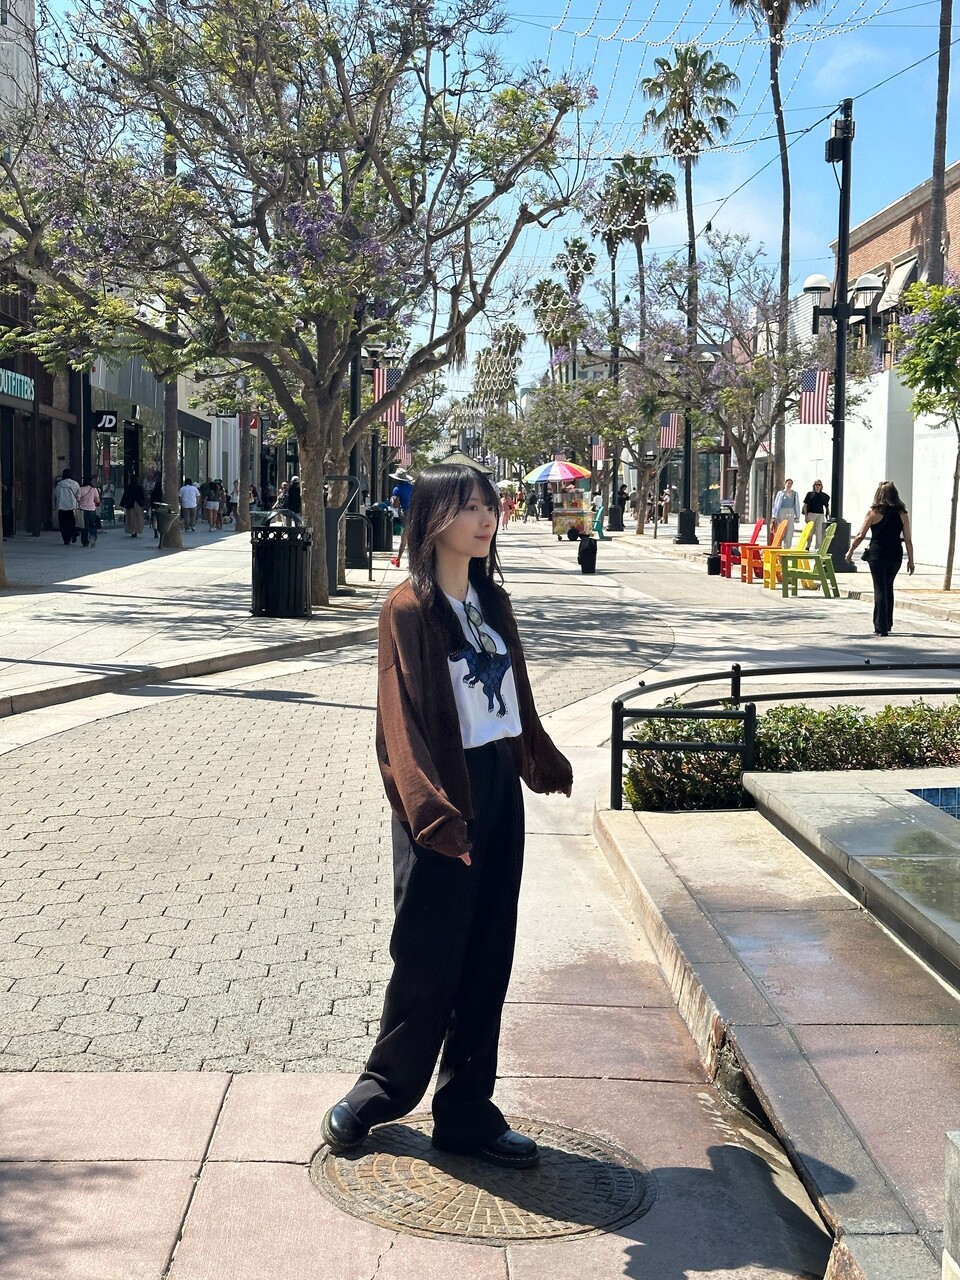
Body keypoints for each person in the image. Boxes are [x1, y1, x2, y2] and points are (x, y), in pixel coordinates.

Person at [321, 463, 573, 1169]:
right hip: (438, 794)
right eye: (468, 507)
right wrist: (434, 816)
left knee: (490, 952)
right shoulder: (407, 609)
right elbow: (400, 726)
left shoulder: (493, 602)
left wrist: (540, 757)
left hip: (497, 789)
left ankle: (466, 1111)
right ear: (433, 519)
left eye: (490, 505)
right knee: (428, 952)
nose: (486, 518)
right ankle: (382, 1089)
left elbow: (513, 695)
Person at [846, 480, 915, 637]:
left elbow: (860, 535)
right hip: (895, 554)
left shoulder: (873, 513)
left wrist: (850, 551)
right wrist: (911, 560)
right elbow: (908, 539)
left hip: (877, 554)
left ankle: (881, 625)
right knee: (888, 586)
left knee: (880, 588)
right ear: (895, 494)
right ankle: (888, 622)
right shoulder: (902, 514)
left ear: (879, 494)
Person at [389, 466, 415, 568]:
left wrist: (392, 500)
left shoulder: (397, 489)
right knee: (412, 537)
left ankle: (399, 560)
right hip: (415, 512)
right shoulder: (412, 487)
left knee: (404, 537)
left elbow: (395, 504)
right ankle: (411, 562)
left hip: (406, 513)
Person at [53, 468, 81, 545]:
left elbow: (56, 495)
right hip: (72, 507)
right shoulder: (75, 484)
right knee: (72, 522)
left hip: (62, 507)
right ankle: (72, 534)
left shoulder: (59, 485)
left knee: (63, 524)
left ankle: (66, 539)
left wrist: (56, 505)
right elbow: (78, 495)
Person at [772, 478, 801, 547]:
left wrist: (797, 516)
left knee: (790, 529)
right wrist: (774, 515)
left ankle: (787, 546)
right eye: (788, 483)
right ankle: (779, 544)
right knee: (781, 528)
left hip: (790, 511)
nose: (789, 485)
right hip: (782, 511)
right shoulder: (781, 493)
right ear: (785, 484)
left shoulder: (794, 494)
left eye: (790, 483)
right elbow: (776, 504)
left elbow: (796, 505)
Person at [801, 480, 830, 549]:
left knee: (819, 531)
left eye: (819, 485)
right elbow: (805, 505)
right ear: (814, 486)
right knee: (810, 531)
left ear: (821, 486)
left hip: (820, 515)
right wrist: (806, 516)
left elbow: (827, 507)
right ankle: (808, 546)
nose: (817, 486)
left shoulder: (824, 496)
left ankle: (818, 547)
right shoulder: (810, 494)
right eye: (816, 485)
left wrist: (828, 516)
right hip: (811, 514)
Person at [77, 475, 101, 547]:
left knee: (84, 526)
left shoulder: (80, 489)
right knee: (92, 525)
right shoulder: (94, 489)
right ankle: (93, 535)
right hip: (92, 509)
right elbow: (97, 500)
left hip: (83, 510)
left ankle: (85, 542)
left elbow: (78, 499)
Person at [120, 473, 146, 538]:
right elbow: (142, 496)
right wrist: (143, 504)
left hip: (130, 504)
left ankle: (132, 530)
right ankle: (137, 530)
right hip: (138, 504)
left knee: (131, 518)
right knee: (137, 518)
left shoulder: (128, 488)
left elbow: (125, 497)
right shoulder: (139, 487)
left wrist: (122, 504)